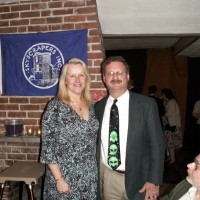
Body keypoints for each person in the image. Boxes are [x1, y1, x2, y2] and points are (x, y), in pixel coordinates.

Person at [94, 56, 165, 200]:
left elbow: (157, 145)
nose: (115, 77)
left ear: (127, 76)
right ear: (104, 78)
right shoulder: (98, 108)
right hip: (110, 179)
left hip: (141, 180)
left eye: (119, 73)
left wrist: (154, 180)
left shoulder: (146, 105)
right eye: (110, 73)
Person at [40, 58, 99, 199]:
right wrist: (59, 179)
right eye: (72, 75)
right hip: (64, 178)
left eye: (81, 75)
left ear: (86, 78)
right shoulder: (55, 107)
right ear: (65, 80)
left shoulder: (91, 105)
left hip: (89, 176)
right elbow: (48, 148)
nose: (77, 80)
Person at [161, 88, 182, 165]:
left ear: (166, 95)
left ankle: (172, 159)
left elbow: (169, 114)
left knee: (170, 144)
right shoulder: (169, 102)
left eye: (163, 94)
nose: (162, 96)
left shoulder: (171, 102)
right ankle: (171, 157)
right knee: (169, 143)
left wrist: (163, 116)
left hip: (171, 126)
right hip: (170, 126)